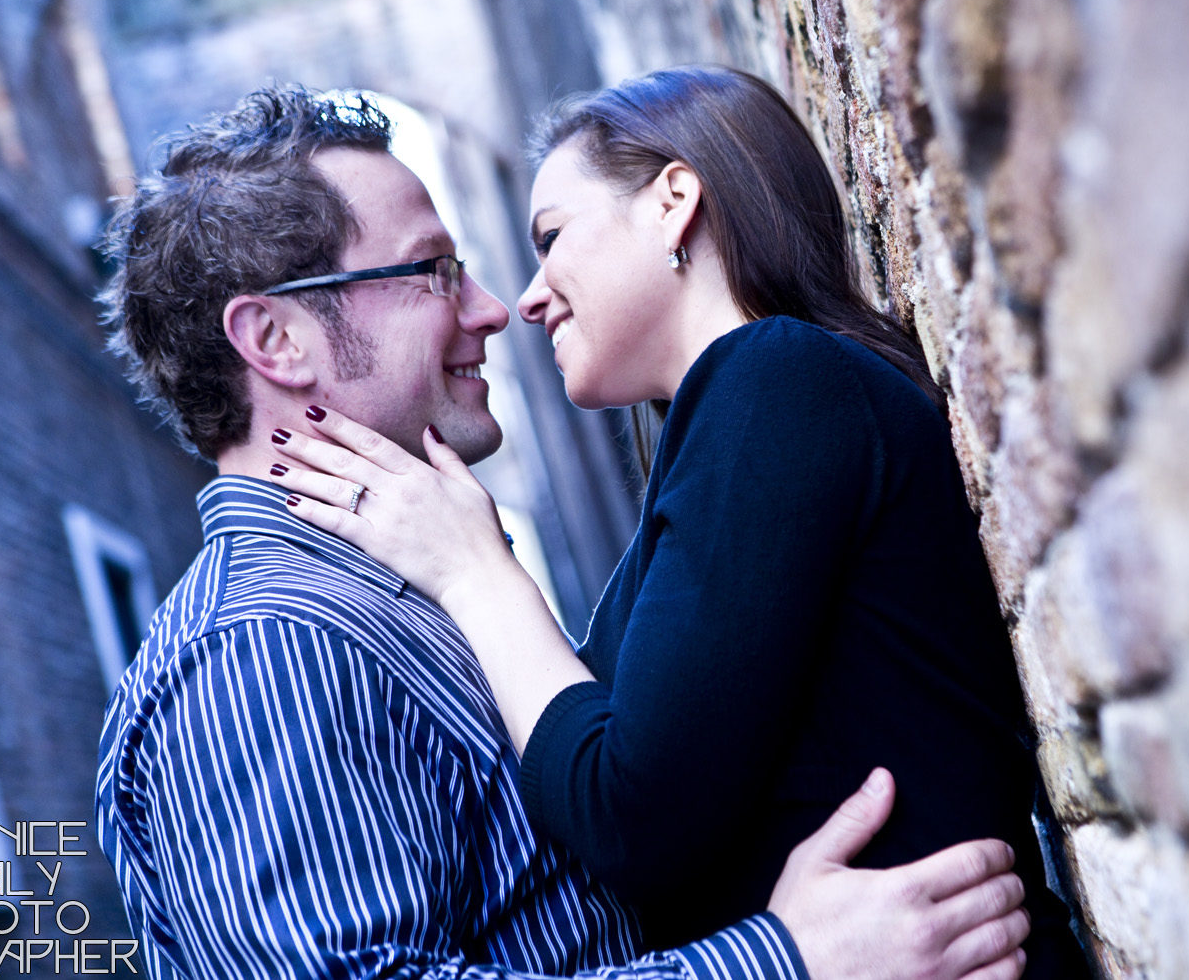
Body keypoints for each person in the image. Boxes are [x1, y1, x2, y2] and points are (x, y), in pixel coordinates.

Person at [94, 86, 1034, 980]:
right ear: (277, 340)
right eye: (434, 272)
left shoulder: (393, 596)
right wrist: (777, 960)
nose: (493, 309)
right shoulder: (261, 648)